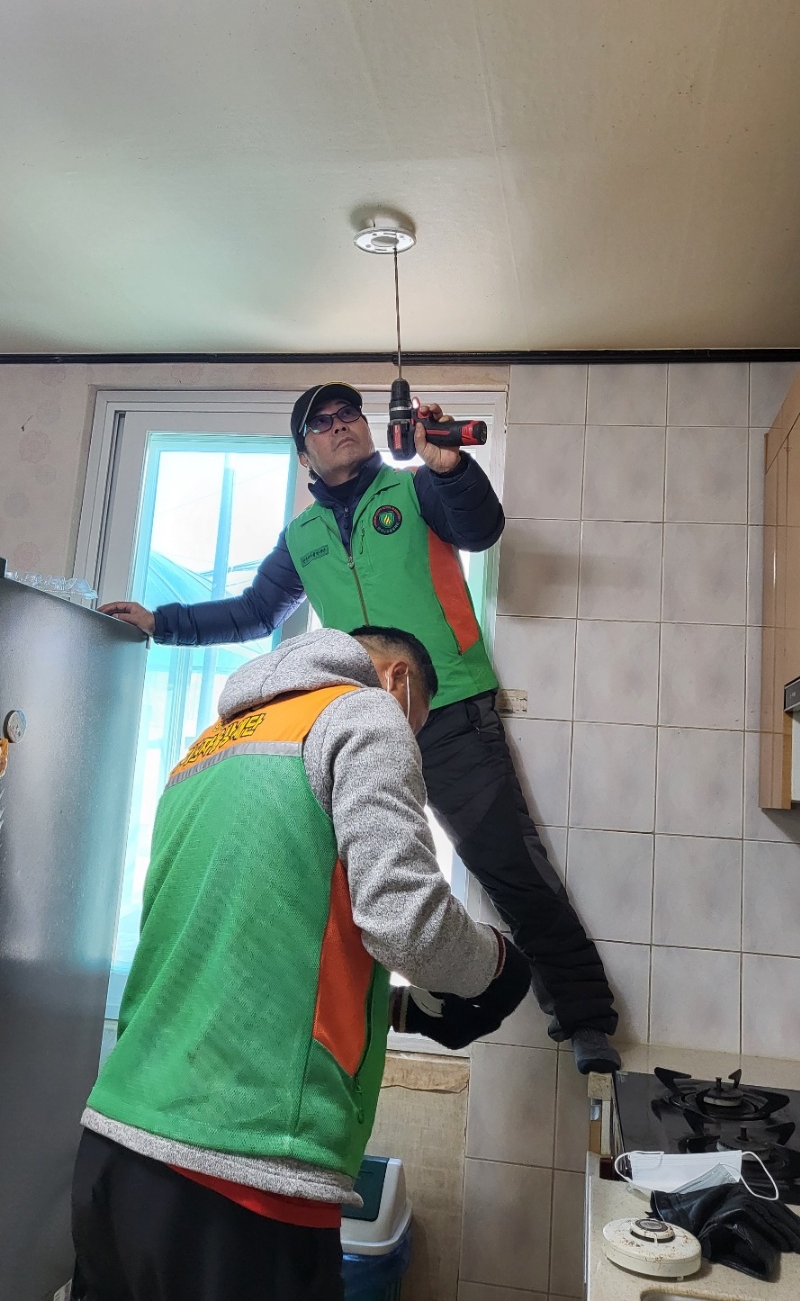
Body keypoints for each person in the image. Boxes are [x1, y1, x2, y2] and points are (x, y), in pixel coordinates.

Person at [102, 382, 620, 1074]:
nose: (339, 425)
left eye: (349, 414)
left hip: (452, 714)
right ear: (304, 454)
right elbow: (255, 612)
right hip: (360, 720)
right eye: (321, 422)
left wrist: (451, 470)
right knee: (337, 878)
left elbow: (479, 530)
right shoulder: (302, 537)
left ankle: (585, 1018)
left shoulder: (416, 490)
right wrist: (161, 622)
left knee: (511, 871)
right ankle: (357, 1015)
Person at [73, 625, 531, 1301]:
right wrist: (499, 966)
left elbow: (241, 949)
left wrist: (398, 1010)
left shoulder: (208, 747)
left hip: (117, 1145)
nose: (411, 741)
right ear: (398, 680)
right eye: (419, 725)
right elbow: (408, 924)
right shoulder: (364, 711)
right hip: (242, 1171)